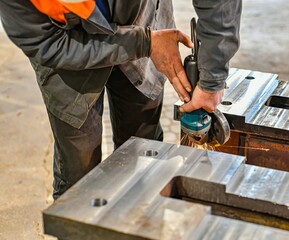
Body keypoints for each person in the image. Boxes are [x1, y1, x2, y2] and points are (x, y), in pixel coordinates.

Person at [0, 0, 242, 199]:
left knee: (144, 151)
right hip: (66, 47)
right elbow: (48, 44)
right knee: (79, 176)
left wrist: (213, 76)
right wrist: (144, 43)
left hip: (144, 17)